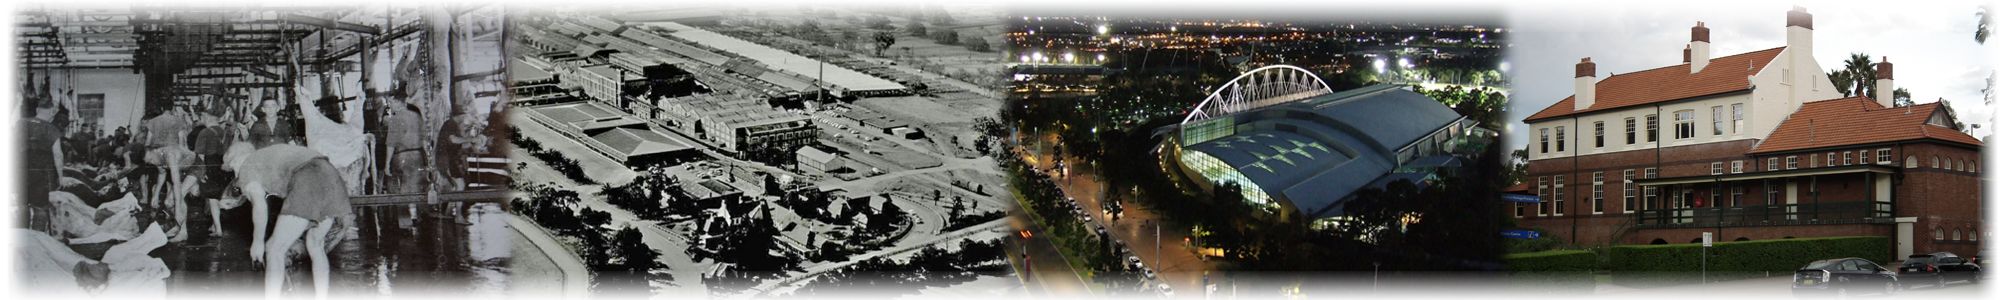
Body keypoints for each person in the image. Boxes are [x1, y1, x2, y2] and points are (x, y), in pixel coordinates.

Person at [221, 142, 351, 298]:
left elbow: (259, 204)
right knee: (315, 245)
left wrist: (257, 242)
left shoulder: (247, 166)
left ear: (236, 160)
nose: (235, 174)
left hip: (308, 178)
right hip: (331, 176)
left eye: (232, 167)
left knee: (274, 249)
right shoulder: (267, 156)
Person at [21, 96, 62, 233]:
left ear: (38, 109)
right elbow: (58, 154)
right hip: (40, 174)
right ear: (52, 112)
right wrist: (61, 177)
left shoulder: (20, 123)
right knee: (39, 208)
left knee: (21, 206)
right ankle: (37, 241)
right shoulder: (51, 129)